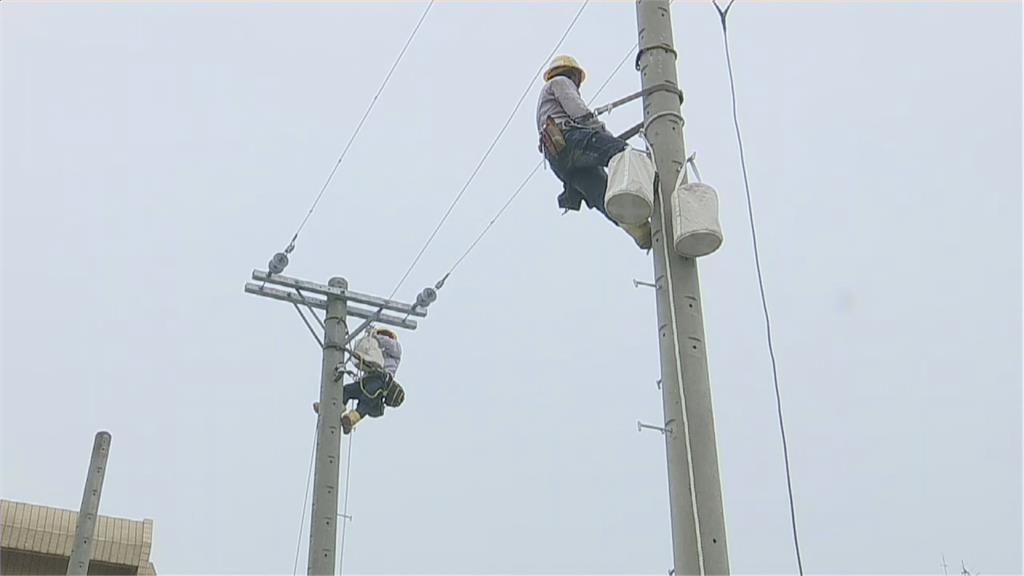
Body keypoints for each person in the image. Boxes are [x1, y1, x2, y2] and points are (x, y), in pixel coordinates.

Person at [537, 54, 652, 249]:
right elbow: (579, 112)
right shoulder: (561, 82)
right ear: (573, 75)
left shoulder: (545, 98)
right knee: (622, 153)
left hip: (558, 161)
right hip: (569, 141)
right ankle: (647, 188)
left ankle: (638, 229)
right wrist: (606, 136)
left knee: (604, 193)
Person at [313, 326, 405, 434]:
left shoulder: (395, 348)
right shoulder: (376, 351)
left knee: (367, 399)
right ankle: (331, 409)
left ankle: (352, 419)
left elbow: (387, 343)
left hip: (381, 379)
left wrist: (374, 336)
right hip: (368, 379)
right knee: (346, 390)